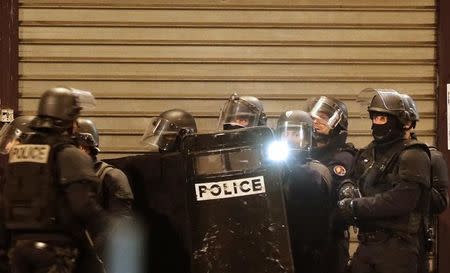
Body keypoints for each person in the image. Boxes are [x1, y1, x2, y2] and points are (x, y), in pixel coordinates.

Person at [2, 87, 111, 273]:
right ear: (70, 122)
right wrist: (110, 226)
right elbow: (83, 205)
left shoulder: (18, 155)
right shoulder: (68, 154)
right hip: (55, 252)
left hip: (18, 250)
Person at [338, 88, 431, 273]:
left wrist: (356, 206)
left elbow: (402, 200)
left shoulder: (413, 155)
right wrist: (347, 189)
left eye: (382, 118)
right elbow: (350, 178)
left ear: (401, 122)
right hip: (366, 246)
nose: (376, 123)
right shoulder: (368, 152)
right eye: (374, 118)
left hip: (397, 249)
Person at [276, 110, 333, 273]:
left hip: (308, 253)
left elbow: (323, 220)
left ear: (307, 136)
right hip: (278, 249)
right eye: (286, 133)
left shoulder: (318, 172)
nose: (290, 139)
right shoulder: (270, 170)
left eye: (296, 133)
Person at [400, 93, 449, 273]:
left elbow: (440, 203)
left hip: (413, 244)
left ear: (408, 123)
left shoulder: (430, 156)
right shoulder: (376, 156)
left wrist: (419, 182)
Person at [307, 96, 356, 273]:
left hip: (330, 242)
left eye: (324, 117)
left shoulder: (344, 158)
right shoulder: (305, 154)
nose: (316, 121)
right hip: (303, 240)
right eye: (313, 117)